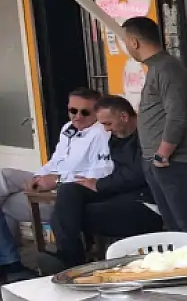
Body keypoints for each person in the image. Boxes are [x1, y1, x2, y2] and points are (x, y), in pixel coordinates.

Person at [0, 87, 113, 280]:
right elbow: (55, 161)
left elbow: (102, 172)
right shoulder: (67, 128)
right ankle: (10, 264)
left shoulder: (102, 133)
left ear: (97, 112)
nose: (77, 116)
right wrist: (39, 177)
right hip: (51, 183)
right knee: (3, 176)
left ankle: (11, 265)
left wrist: (57, 180)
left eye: (84, 112)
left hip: (71, 193)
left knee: (7, 206)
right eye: (72, 111)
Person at [50, 96, 163, 268]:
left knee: (66, 216)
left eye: (108, 124)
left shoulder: (146, 136)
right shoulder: (116, 138)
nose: (106, 129)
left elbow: (137, 174)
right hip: (119, 194)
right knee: (68, 192)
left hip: (145, 203)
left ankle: (71, 263)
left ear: (124, 116)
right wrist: (93, 183)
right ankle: (70, 260)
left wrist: (99, 184)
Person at [123, 16, 187, 239]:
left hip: (175, 161)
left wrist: (163, 153)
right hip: (158, 161)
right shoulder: (156, 68)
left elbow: (177, 115)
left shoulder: (167, 68)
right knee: (174, 227)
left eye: (125, 41)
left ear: (134, 42)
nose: (126, 47)